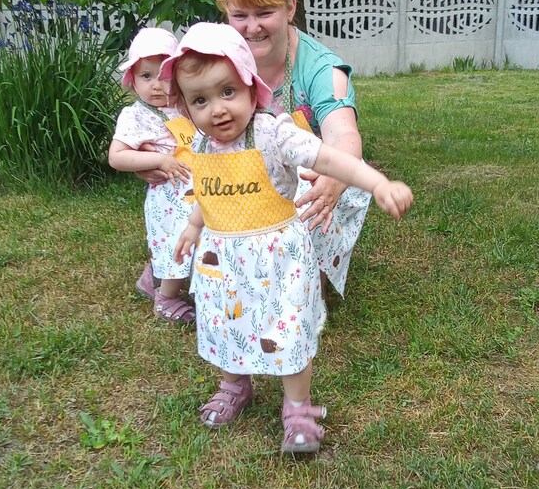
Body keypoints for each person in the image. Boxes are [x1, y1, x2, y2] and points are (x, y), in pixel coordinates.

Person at [164, 22, 412, 453]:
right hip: (223, 263)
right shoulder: (202, 146)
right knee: (227, 325)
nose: (217, 110)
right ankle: (234, 384)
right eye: (200, 100)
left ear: (249, 85)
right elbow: (210, 189)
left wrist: (376, 183)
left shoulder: (272, 132)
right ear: (186, 107)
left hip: (277, 260)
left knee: (288, 331)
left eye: (227, 92)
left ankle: (297, 407)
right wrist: (192, 225)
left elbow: (330, 157)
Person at [216, 0, 371, 297]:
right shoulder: (221, 59)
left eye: (264, 12)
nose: (251, 27)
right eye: (240, 15)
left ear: (289, 8)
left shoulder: (322, 68)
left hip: (303, 168)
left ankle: (301, 281)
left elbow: (344, 134)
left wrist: (333, 178)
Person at [108, 27, 196, 324]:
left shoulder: (186, 106)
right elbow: (117, 156)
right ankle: (167, 298)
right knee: (177, 241)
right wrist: (157, 158)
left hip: (197, 186)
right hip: (170, 197)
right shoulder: (135, 115)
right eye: (147, 76)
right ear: (132, 81)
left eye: (164, 76)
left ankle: (152, 278)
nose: (157, 85)